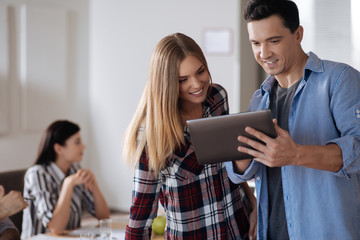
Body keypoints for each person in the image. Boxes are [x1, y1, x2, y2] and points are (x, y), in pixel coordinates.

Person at [225, 0, 360, 239]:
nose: (263, 53)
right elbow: (242, 173)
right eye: (256, 43)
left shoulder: (340, 79)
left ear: (298, 34)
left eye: (274, 41)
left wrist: (296, 154)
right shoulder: (260, 98)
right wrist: (240, 156)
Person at [123, 32, 257, 240]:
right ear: (166, 84)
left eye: (200, 71)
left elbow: (231, 164)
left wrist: (253, 203)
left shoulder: (217, 99)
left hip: (239, 228)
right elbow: (140, 217)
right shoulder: (152, 135)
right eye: (183, 80)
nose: (196, 84)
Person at [21, 120, 110, 239]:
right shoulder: (37, 174)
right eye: (77, 142)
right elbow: (56, 228)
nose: (83, 146)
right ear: (59, 149)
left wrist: (94, 183)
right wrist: (68, 185)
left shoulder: (75, 169)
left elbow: (104, 218)